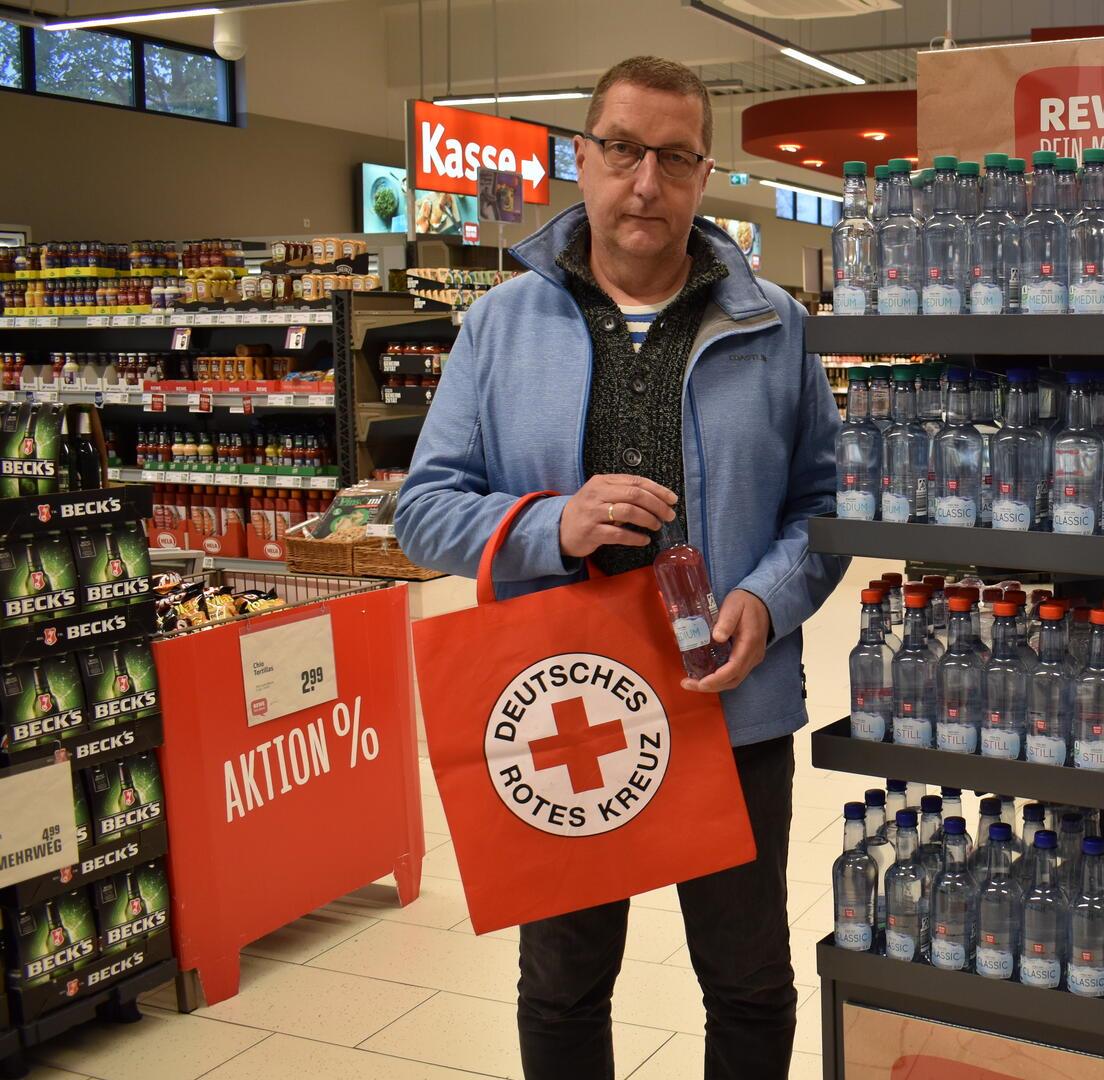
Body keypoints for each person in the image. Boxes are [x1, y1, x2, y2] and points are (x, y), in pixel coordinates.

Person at [393, 55, 846, 1080]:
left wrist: (768, 606)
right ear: (583, 158)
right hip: (561, 706)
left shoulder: (775, 327)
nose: (646, 182)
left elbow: (825, 507)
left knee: (747, 985)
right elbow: (423, 513)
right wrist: (553, 523)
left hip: (730, 703)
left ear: (703, 172)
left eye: (675, 158)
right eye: (624, 151)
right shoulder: (499, 325)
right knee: (561, 986)